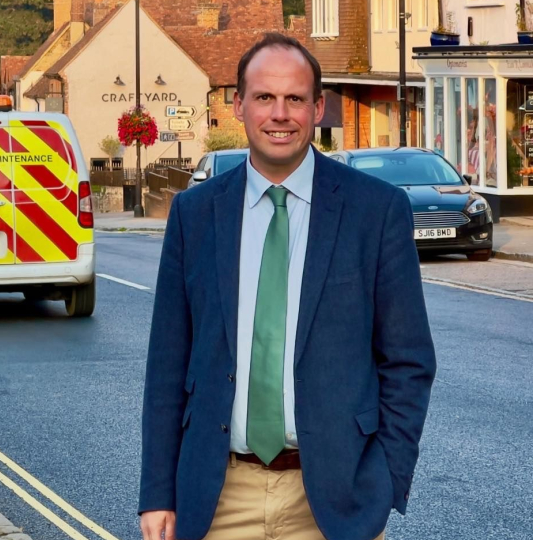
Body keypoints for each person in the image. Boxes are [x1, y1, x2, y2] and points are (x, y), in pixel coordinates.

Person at [139, 33, 436, 540]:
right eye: (264, 97)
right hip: (218, 500)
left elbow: (408, 360)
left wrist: (385, 479)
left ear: (318, 107)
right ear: (238, 105)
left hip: (334, 503)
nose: (280, 114)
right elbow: (168, 363)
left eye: (295, 98)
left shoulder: (376, 211)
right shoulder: (195, 214)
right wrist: (158, 493)